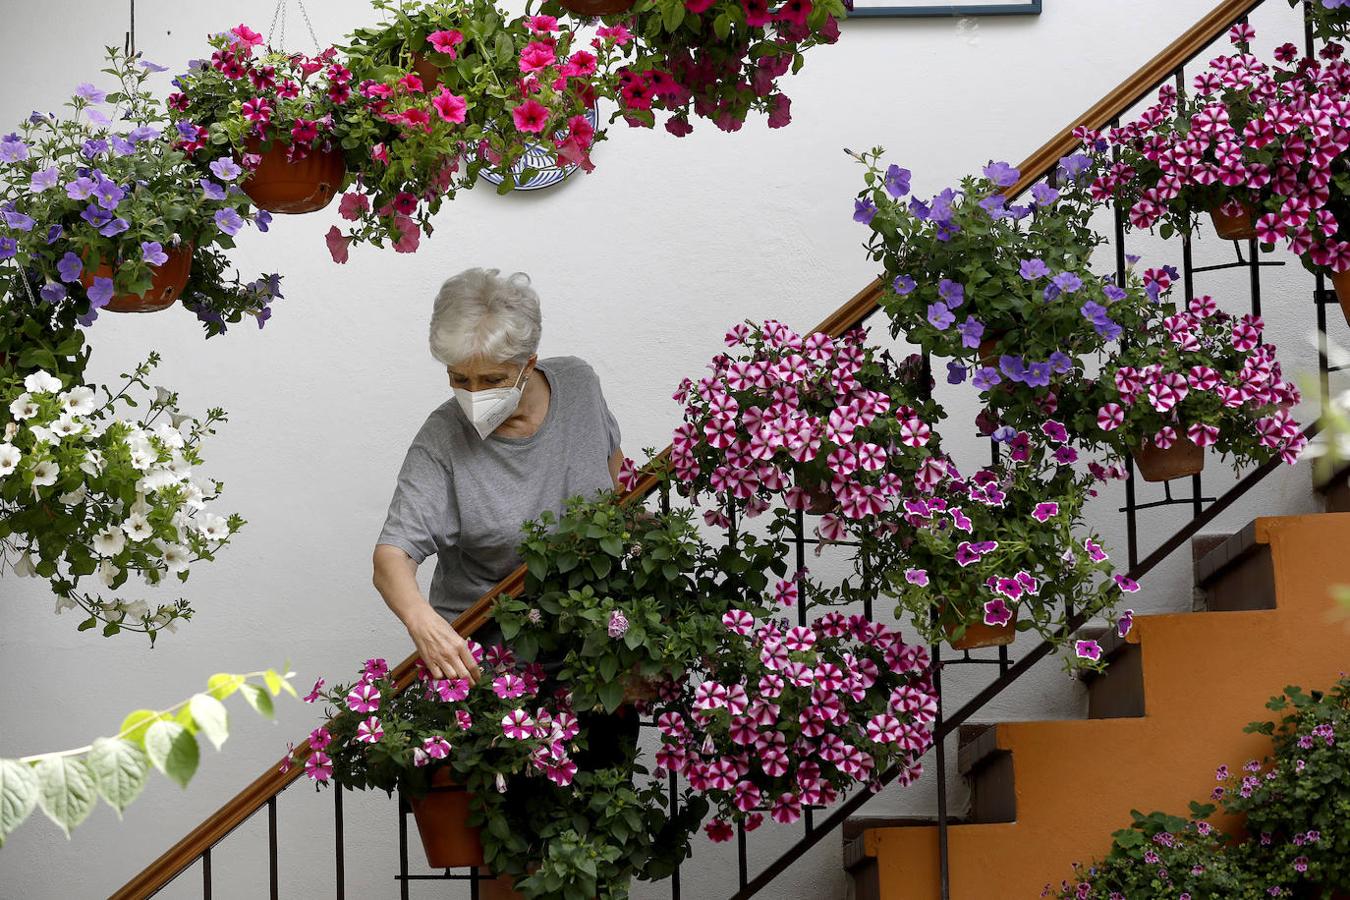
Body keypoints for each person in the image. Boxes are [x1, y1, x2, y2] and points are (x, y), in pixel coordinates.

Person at [373, 267, 626, 680]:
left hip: (592, 630)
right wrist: (423, 623)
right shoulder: (443, 438)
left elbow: (613, 469)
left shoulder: (579, 384)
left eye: (492, 379)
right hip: (491, 650)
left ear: (528, 364)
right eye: (459, 378)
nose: (473, 394)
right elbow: (390, 557)